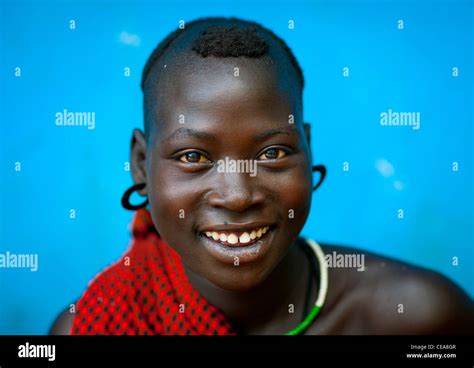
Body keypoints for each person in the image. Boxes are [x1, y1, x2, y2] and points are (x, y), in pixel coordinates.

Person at [50, 17, 473, 335]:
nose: (237, 196)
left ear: (308, 151)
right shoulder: (94, 325)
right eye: (194, 156)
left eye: (272, 152)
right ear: (142, 165)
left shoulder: (420, 316)